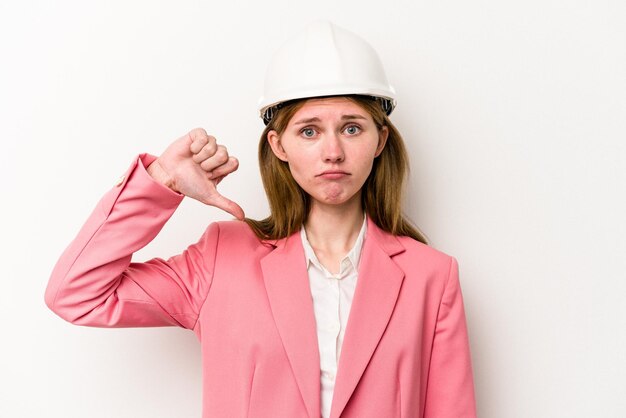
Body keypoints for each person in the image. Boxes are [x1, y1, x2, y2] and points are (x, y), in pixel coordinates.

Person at [45, 20, 477, 418]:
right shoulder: (222, 258)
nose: (333, 152)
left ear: (380, 139)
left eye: (351, 128)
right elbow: (76, 294)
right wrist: (161, 181)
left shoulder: (431, 277)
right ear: (279, 145)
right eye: (309, 130)